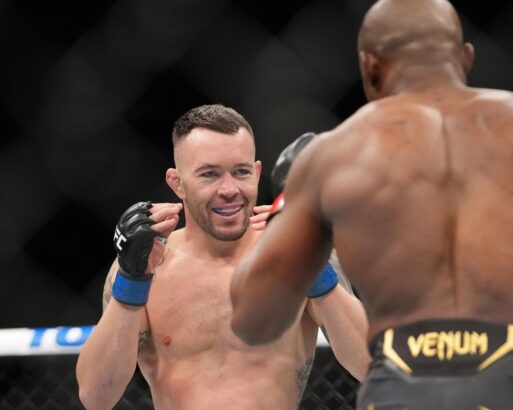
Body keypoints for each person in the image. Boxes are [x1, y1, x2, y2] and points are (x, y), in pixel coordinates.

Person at [229, 0, 513, 408]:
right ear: (466, 56)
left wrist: (290, 211)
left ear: (369, 67)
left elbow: (253, 319)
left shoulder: (334, 156)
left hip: (404, 383)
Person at [76, 104, 369, 410]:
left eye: (241, 172)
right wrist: (132, 278)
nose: (229, 189)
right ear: (177, 183)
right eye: (209, 174)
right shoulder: (149, 265)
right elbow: (96, 397)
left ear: (257, 173)